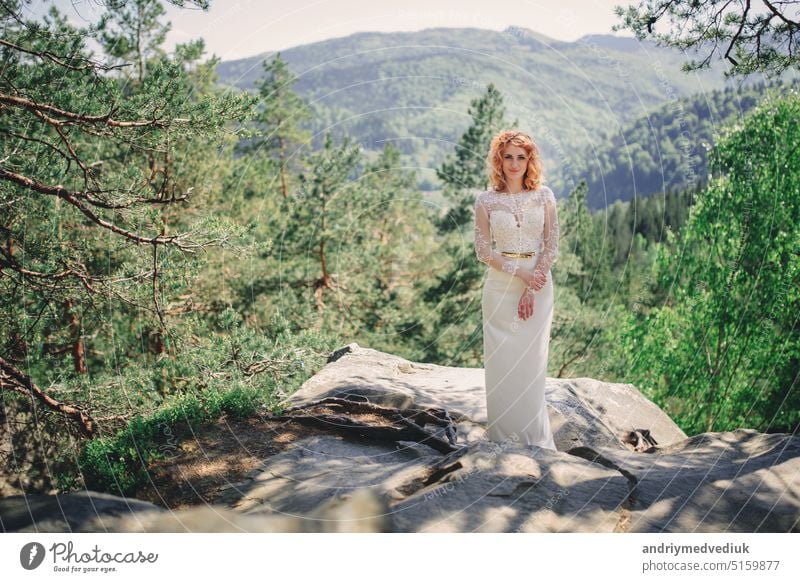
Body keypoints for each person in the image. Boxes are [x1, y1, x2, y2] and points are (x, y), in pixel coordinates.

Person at [473, 130, 559, 451]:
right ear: (499, 159)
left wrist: (532, 282)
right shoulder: (486, 201)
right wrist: (520, 273)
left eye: (521, 157)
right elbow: (484, 251)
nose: (514, 163)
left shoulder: (544, 196)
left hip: (539, 285)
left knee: (532, 363)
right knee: (502, 364)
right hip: (500, 288)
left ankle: (534, 439)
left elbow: (551, 245)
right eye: (508, 156)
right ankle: (502, 438)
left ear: (530, 161)